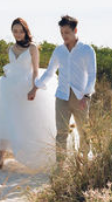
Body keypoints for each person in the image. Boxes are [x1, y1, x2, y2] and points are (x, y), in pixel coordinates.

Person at [0, 17, 58, 170]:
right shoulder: (10, 49)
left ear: (26, 31)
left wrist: (34, 89)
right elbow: (12, 68)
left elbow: (35, 71)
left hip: (26, 87)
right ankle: (0, 158)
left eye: (20, 31)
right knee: (5, 119)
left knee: (29, 122)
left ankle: (39, 155)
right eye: (15, 31)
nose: (18, 34)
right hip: (9, 87)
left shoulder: (32, 47)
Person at [29, 15, 96, 160]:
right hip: (62, 96)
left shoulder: (87, 50)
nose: (64, 36)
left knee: (84, 131)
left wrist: (86, 96)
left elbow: (92, 75)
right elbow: (49, 72)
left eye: (67, 32)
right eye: (61, 33)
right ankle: (60, 166)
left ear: (75, 30)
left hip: (80, 97)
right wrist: (35, 88)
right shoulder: (59, 51)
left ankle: (85, 161)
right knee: (61, 132)